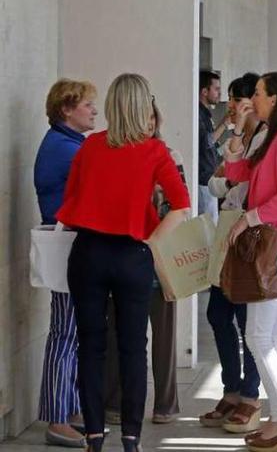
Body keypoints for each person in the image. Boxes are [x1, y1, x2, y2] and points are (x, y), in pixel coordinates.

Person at [57, 73, 191, 452]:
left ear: (114, 105)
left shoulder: (90, 147)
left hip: (89, 253)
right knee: (134, 347)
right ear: (142, 106)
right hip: (133, 255)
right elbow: (180, 206)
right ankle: (131, 438)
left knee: (91, 345)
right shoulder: (154, 151)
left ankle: (95, 435)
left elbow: (70, 207)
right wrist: (149, 244)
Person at [223, 72, 277, 451]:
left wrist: (248, 218)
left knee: (260, 336)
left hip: (276, 246)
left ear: (275, 98)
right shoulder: (274, 134)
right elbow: (235, 173)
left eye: (258, 93)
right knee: (273, 337)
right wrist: (240, 131)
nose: (252, 99)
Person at [104, 107, 183, 427]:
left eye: (153, 118)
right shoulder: (116, 153)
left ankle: (165, 403)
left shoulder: (169, 154)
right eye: (143, 117)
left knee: (164, 336)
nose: (149, 124)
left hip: (160, 256)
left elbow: (178, 205)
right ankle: (114, 401)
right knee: (117, 332)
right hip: (122, 255)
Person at [34, 78, 97, 448]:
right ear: (66, 109)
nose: (94, 110)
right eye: (87, 104)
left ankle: (67, 406)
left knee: (70, 330)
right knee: (66, 331)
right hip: (66, 243)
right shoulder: (66, 148)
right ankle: (58, 418)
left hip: (72, 242)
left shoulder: (71, 144)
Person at [200, 72, 264, 433]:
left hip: (253, 230)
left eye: (241, 100)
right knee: (217, 312)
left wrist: (229, 179)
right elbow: (215, 179)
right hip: (228, 225)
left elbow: (245, 181)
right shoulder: (240, 136)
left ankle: (250, 394)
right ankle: (231, 388)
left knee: (246, 317)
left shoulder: (267, 137)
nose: (236, 107)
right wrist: (230, 179)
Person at [198, 70, 223, 222]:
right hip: (203, 179)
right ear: (204, 91)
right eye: (216, 89)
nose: (219, 93)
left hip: (209, 177)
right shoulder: (198, 114)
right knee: (208, 226)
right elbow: (205, 142)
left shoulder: (206, 114)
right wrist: (225, 124)